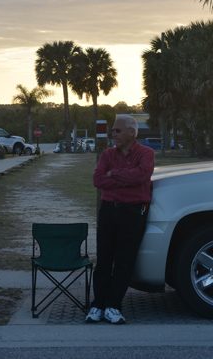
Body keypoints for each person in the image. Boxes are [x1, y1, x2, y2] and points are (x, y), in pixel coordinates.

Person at [85, 114, 155, 324]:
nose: (112, 134)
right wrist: (124, 176)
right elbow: (98, 180)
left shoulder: (147, 153)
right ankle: (98, 304)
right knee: (104, 259)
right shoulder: (107, 154)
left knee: (124, 261)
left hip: (134, 212)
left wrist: (113, 175)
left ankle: (114, 306)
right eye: (113, 130)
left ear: (131, 133)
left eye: (117, 130)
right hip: (108, 211)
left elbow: (142, 176)